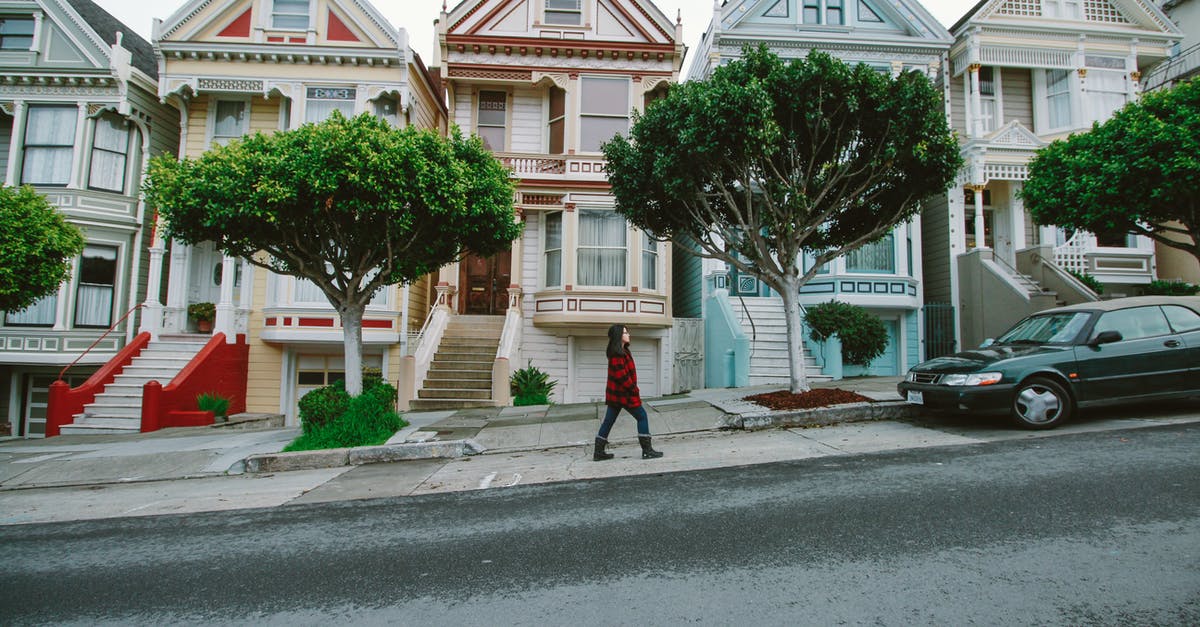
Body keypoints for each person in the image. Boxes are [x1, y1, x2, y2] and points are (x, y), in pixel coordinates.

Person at [594, 324, 663, 461]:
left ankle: (599, 452)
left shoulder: (623, 351)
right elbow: (622, 377)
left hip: (617, 395)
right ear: (619, 336)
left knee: (608, 421)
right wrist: (634, 389)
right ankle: (647, 451)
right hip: (623, 394)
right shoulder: (617, 354)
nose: (628, 335)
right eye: (625, 332)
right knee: (642, 416)